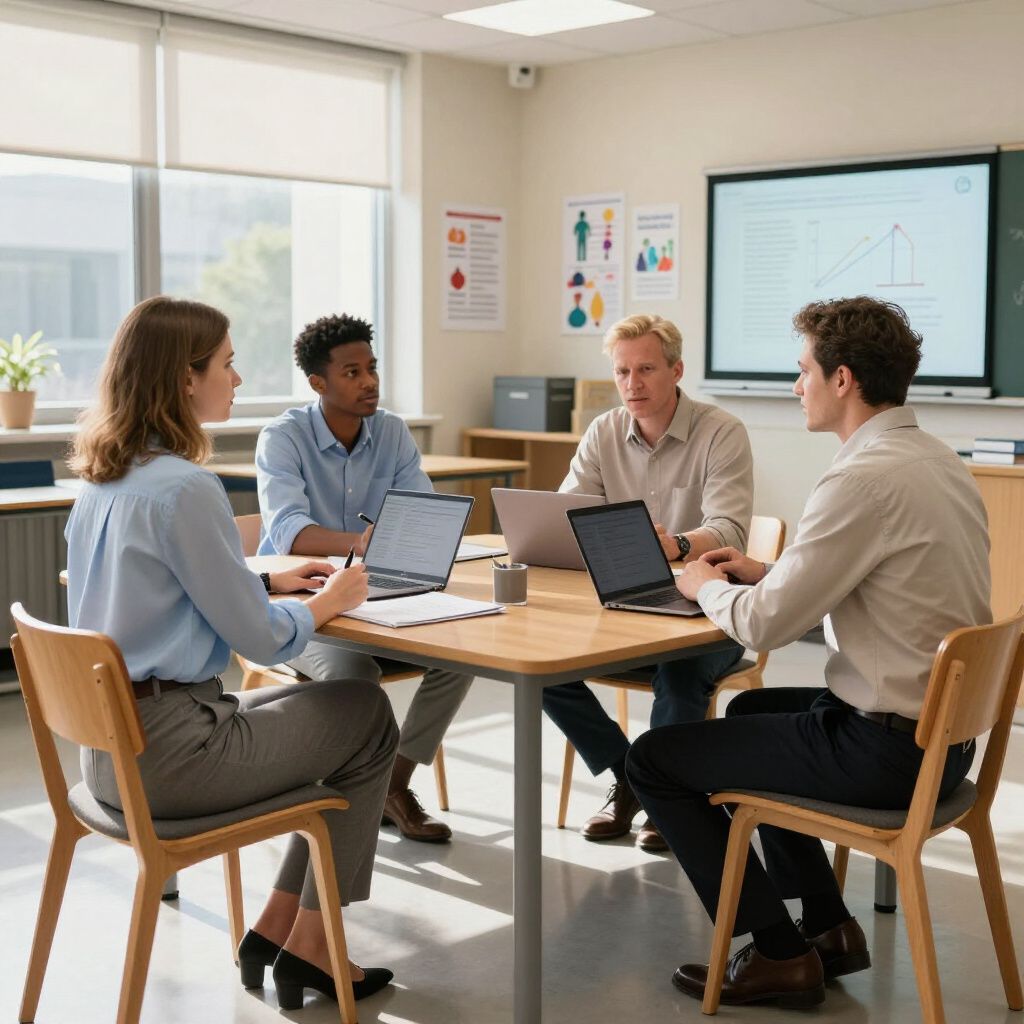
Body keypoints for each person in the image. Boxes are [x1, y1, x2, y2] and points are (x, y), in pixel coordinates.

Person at [627, 296, 990, 1008]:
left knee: (654, 760)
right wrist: (771, 572)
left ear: (843, 379)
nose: (798, 387)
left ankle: (776, 952)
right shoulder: (935, 460)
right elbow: (882, 580)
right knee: (752, 710)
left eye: (803, 373)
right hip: (943, 740)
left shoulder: (860, 478)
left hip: (887, 754)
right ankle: (827, 927)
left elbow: (759, 628)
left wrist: (704, 583)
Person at [66, 296, 399, 1010]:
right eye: (227, 363)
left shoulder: (103, 481)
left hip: (109, 755)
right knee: (367, 715)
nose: (237, 380)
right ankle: (311, 947)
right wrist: (325, 603)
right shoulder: (188, 488)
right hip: (174, 757)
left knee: (336, 703)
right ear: (185, 379)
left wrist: (259, 575)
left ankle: (277, 930)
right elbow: (264, 639)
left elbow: (158, 586)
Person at [256, 313, 473, 843]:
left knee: (463, 654)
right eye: (352, 372)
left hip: (381, 598)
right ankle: (372, 790)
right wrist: (360, 543)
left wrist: (411, 536)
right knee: (357, 675)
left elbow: (418, 509)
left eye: (371, 368)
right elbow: (286, 532)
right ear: (318, 383)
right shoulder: (281, 437)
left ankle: (391, 784)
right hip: (304, 610)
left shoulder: (392, 431)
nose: (369, 381)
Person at [543, 313, 753, 851]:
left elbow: (729, 528)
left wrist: (677, 546)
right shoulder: (603, 431)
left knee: (680, 676)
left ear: (677, 370)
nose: (632, 384)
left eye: (646, 369)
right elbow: (570, 512)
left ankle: (665, 797)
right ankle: (632, 778)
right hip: (624, 601)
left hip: (706, 603)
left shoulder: (721, 431)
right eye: (622, 372)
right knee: (541, 668)